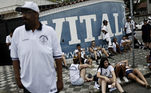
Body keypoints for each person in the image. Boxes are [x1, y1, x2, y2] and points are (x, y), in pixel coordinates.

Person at [11, 2, 63, 93]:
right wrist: (17, 78)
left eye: (27, 13)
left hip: (50, 86)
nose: (23, 16)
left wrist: (60, 80)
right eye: (22, 13)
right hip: (28, 87)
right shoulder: (17, 32)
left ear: (36, 14)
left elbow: (58, 58)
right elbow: (15, 59)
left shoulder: (50, 31)